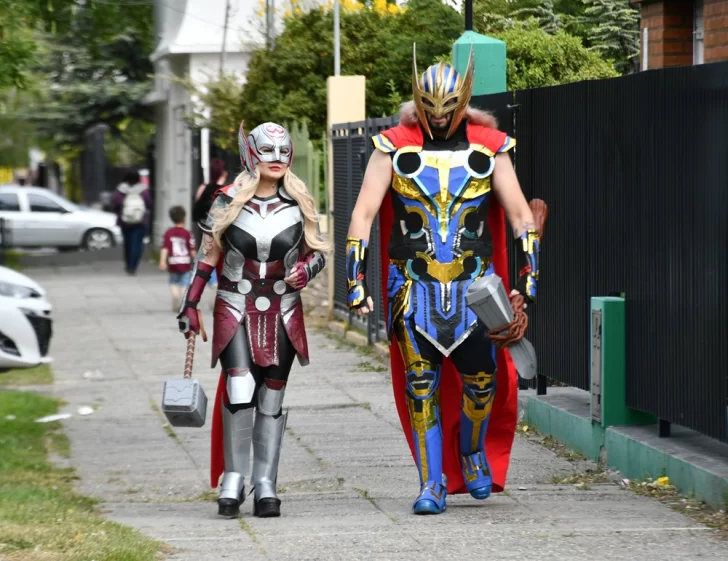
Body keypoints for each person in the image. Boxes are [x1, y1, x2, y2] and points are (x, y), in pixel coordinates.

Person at [345, 48, 541, 515]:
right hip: (413, 289)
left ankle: (473, 454)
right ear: (418, 101)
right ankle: (430, 481)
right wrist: (355, 280)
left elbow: (519, 216)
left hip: (477, 289)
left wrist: (529, 278)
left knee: (481, 382)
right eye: (430, 109)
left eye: (448, 108)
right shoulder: (392, 147)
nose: (438, 118)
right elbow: (364, 213)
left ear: (463, 101)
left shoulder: (491, 148)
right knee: (421, 385)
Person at [177, 121, 330, 519]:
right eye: (267, 151)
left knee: (272, 395)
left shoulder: (299, 201)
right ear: (251, 153)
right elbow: (208, 256)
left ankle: (266, 483)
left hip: (284, 309)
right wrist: (190, 304)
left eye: (282, 152)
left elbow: (319, 253)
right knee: (241, 386)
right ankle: (233, 477)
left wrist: (306, 272)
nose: (276, 159)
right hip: (234, 305)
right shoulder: (225, 200)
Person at [192, 159, 228, 304]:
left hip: (206, 229)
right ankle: (220, 288)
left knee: (208, 257)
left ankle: (212, 283)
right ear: (223, 172)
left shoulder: (204, 189)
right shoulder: (229, 191)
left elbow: (196, 213)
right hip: (225, 231)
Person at [112, 169, 152, 275]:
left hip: (124, 221)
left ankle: (128, 264)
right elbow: (148, 203)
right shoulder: (143, 189)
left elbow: (116, 203)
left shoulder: (121, 189)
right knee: (137, 244)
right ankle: (133, 266)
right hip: (140, 220)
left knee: (127, 243)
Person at [160, 206, 197, 312]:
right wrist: (196, 260)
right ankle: (182, 299)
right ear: (184, 218)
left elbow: (165, 248)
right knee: (184, 283)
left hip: (173, 262)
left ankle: (175, 296)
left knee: (173, 281)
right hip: (185, 262)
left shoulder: (168, 233)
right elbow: (192, 249)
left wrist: (163, 261)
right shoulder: (187, 233)